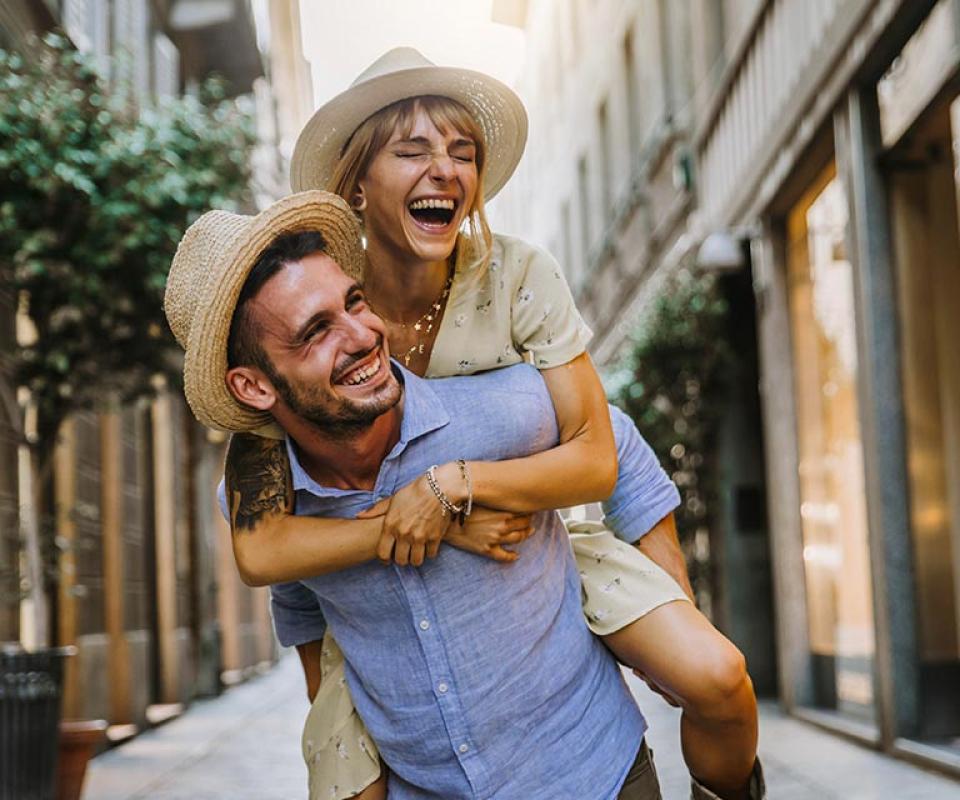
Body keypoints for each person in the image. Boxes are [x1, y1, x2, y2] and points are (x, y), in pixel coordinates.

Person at [224, 49, 763, 800]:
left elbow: (603, 439)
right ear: (355, 184)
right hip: (388, 605)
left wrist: (462, 488)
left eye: (462, 152)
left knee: (714, 675)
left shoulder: (515, 279)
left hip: (538, 536)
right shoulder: (326, 316)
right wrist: (439, 522)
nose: (444, 168)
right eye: (412, 150)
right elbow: (277, 557)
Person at [163, 190, 666, 798]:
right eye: (316, 332)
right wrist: (433, 525)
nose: (362, 335)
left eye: (353, 302)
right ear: (252, 385)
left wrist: (673, 616)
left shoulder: (495, 406)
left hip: (593, 773)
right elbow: (298, 603)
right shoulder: (269, 503)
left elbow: (616, 442)